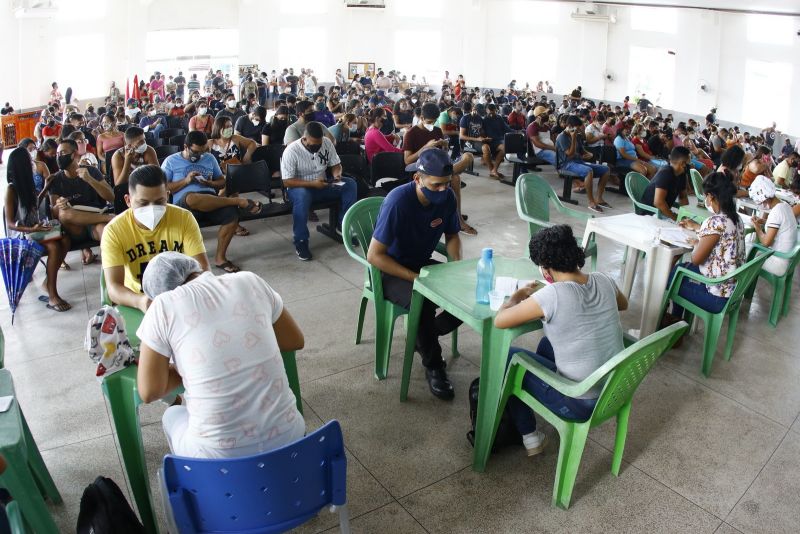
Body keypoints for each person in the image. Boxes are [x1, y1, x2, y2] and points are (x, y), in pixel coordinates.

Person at [136, 252, 305, 458]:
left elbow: (150, 391)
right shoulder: (249, 280)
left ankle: (195, 484)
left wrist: (190, 366)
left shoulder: (162, 306)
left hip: (219, 460)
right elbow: (294, 340)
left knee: (172, 414)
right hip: (292, 439)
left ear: (157, 294)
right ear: (194, 268)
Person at [494, 224, 627, 456]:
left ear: (545, 269)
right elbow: (623, 304)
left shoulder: (552, 295)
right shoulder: (604, 279)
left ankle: (530, 436)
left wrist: (516, 296)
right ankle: (543, 393)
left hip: (580, 403)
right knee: (547, 345)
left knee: (507, 358)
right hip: (614, 390)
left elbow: (500, 320)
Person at [367, 149, 463, 400]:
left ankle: (427, 333)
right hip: (390, 270)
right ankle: (434, 365)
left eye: (447, 184)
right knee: (421, 302)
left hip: (421, 264)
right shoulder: (398, 201)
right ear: (417, 179)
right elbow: (375, 256)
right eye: (436, 185)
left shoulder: (448, 198)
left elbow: (452, 236)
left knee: (470, 290)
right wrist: (415, 278)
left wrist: (456, 266)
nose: (443, 191)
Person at [101, 165, 209, 312]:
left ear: (168, 196)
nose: (152, 209)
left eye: (159, 202)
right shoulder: (114, 231)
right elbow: (113, 288)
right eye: (143, 203)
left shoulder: (184, 218)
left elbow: (202, 269)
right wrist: (141, 301)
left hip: (181, 296)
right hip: (138, 299)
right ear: (128, 200)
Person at [162, 131, 263, 273]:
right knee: (192, 197)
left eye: (203, 151)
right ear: (185, 146)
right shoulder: (171, 161)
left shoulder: (209, 158)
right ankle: (237, 201)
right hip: (185, 204)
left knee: (232, 215)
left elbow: (221, 182)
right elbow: (163, 187)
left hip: (211, 200)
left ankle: (220, 258)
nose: (199, 156)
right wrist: (186, 181)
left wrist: (210, 184)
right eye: (196, 152)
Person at [664, 172, 746, 328]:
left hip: (717, 297)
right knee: (681, 269)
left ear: (710, 196)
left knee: (670, 279)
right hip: (733, 289)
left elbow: (696, 259)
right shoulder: (736, 218)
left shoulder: (715, 221)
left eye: (705, 197)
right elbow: (720, 240)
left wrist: (697, 244)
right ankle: (676, 321)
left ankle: (669, 321)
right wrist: (699, 234)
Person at [5, 147, 71, 312]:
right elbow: (10, 223)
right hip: (23, 235)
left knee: (65, 239)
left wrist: (46, 188)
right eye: (29, 160)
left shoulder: (28, 183)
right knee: (54, 246)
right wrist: (31, 228)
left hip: (36, 229)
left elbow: (33, 206)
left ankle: (48, 282)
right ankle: (53, 295)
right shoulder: (11, 189)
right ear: (22, 165)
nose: (33, 163)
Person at [280, 122, 357, 261]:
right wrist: (311, 184)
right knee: (303, 196)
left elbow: (336, 164)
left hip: (322, 184)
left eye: (319, 143)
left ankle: (342, 226)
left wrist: (336, 174)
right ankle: (301, 241)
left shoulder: (326, 143)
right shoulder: (291, 151)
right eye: (313, 144)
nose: (317, 147)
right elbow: (287, 181)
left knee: (350, 184)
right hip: (298, 188)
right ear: (304, 139)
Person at [404, 103, 475, 235]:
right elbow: (407, 160)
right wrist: (425, 147)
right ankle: (458, 219)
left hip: (437, 166)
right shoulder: (411, 133)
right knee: (454, 178)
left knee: (467, 156)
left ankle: (455, 215)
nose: (432, 124)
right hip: (419, 168)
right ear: (421, 117)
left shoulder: (436, 131)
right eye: (430, 121)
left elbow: (442, 155)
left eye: (435, 121)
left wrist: (444, 146)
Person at [46, 139, 114, 264]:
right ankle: (110, 218)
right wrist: (59, 204)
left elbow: (111, 197)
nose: (59, 157)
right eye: (57, 154)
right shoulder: (55, 179)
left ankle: (109, 273)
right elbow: (55, 214)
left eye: (62, 153)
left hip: (95, 223)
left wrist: (90, 180)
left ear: (74, 154)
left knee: (105, 232)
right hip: (74, 229)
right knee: (64, 213)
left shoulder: (91, 171)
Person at [555, 115, 611, 213]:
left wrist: (587, 153)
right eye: (576, 127)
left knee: (606, 169)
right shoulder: (561, 137)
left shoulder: (577, 135)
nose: (578, 129)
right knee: (588, 171)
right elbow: (569, 153)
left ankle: (599, 198)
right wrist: (573, 138)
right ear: (569, 125)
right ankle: (591, 202)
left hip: (578, 161)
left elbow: (581, 150)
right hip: (566, 164)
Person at [748, 175, 798, 276]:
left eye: (760, 202)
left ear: (763, 198)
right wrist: (763, 221)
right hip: (787, 260)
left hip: (778, 263)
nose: (761, 204)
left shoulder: (776, 212)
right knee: (751, 248)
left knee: (747, 250)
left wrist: (757, 227)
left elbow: (766, 242)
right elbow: (781, 223)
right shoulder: (784, 205)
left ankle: (744, 288)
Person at [641, 146, 691, 220]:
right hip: (651, 214)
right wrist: (675, 217)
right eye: (689, 162)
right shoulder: (665, 173)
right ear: (682, 163)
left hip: (662, 212)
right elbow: (658, 202)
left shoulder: (681, 174)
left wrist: (685, 216)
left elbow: (683, 197)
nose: (690, 164)